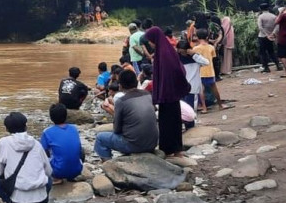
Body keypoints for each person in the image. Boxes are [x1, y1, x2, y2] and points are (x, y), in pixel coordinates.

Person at [0, 112, 52, 203]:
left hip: (17, 200)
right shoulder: (36, 144)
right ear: (26, 126)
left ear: (7, 129)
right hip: (41, 200)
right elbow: (49, 172)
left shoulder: (3, 142)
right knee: (48, 177)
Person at [143, 27, 190, 157]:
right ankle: (175, 149)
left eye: (150, 41)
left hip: (167, 94)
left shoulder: (163, 53)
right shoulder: (165, 50)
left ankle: (170, 150)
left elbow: (175, 70)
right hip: (170, 93)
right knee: (173, 121)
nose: (150, 44)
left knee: (168, 122)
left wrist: (167, 85)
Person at [93, 70, 159, 160]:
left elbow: (116, 129)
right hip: (152, 143)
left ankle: (108, 164)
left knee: (100, 138)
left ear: (120, 85)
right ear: (136, 82)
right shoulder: (147, 94)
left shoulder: (121, 101)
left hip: (135, 145)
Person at [40, 104, 84, 185]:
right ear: (66, 116)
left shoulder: (47, 132)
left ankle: (56, 178)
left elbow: (42, 152)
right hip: (78, 170)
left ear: (51, 118)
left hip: (58, 172)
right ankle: (71, 175)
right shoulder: (74, 128)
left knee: (43, 155)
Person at [191, 28, 227, 112]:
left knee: (201, 89)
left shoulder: (195, 49)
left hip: (200, 71)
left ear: (197, 37)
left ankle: (204, 107)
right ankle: (220, 105)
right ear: (207, 37)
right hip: (210, 70)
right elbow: (213, 58)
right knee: (214, 88)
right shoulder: (211, 47)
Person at [257, 3, 282, 73]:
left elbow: (260, 27)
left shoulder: (261, 16)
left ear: (261, 9)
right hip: (271, 36)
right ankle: (278, 65)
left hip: (262, 36)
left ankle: (266, 67)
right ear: (268, 8)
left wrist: (266, 34)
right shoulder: (273, 16)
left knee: (263, 52)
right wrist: (273, 33)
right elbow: (277, 26)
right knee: (271, 51)